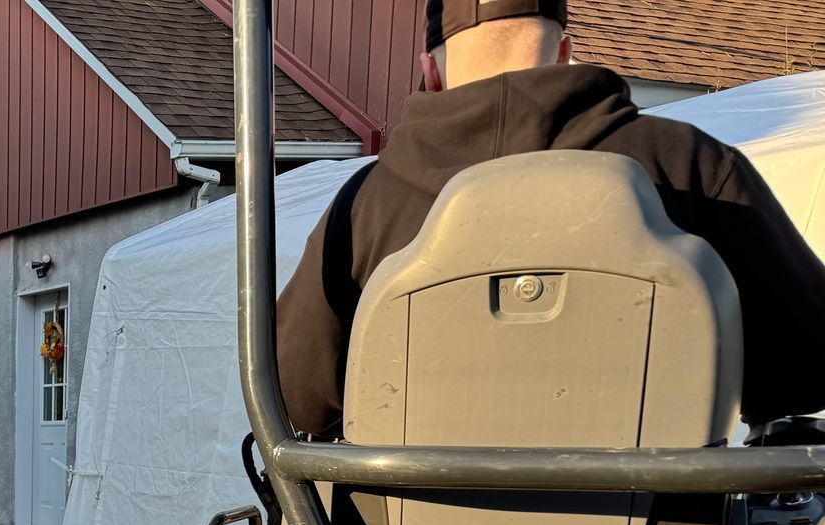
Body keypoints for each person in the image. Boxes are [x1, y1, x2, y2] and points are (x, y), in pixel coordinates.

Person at [277, 0, 825, 440]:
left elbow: (294, 399)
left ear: (431, 73)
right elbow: (803, 371)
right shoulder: (695, 168)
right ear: (564, 53)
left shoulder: (364, 206)